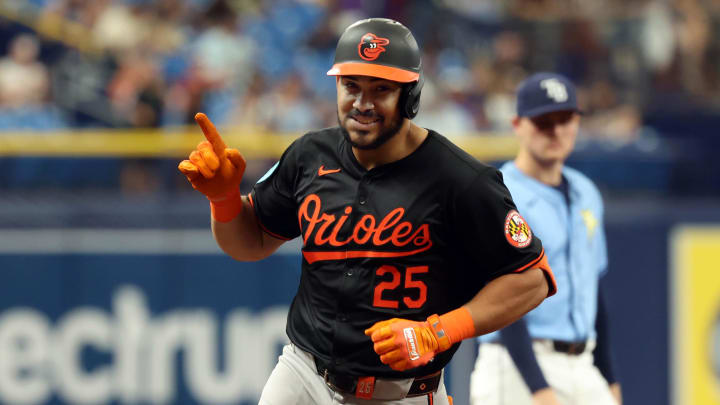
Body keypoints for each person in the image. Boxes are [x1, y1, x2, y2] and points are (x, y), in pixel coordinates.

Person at [179, 18, 557, 405]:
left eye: (381, 89)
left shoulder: (461, 180)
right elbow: (250, 243)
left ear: (411, 96)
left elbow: (532, 279)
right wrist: (224, 198)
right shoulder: (310, 155)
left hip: (402, 393)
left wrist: (439, 331)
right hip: (302, 374)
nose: (362, 103)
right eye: (351, 86)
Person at [470, 72, 622, 405]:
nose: (556, 130)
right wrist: (538, 388)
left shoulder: (586, 191)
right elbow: (504, 301)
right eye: (543, 121)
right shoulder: (501, 193)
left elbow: (592, 288)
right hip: (515, 365)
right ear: (518, 125)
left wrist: (608, 377)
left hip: (583, 362)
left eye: (565, 118)